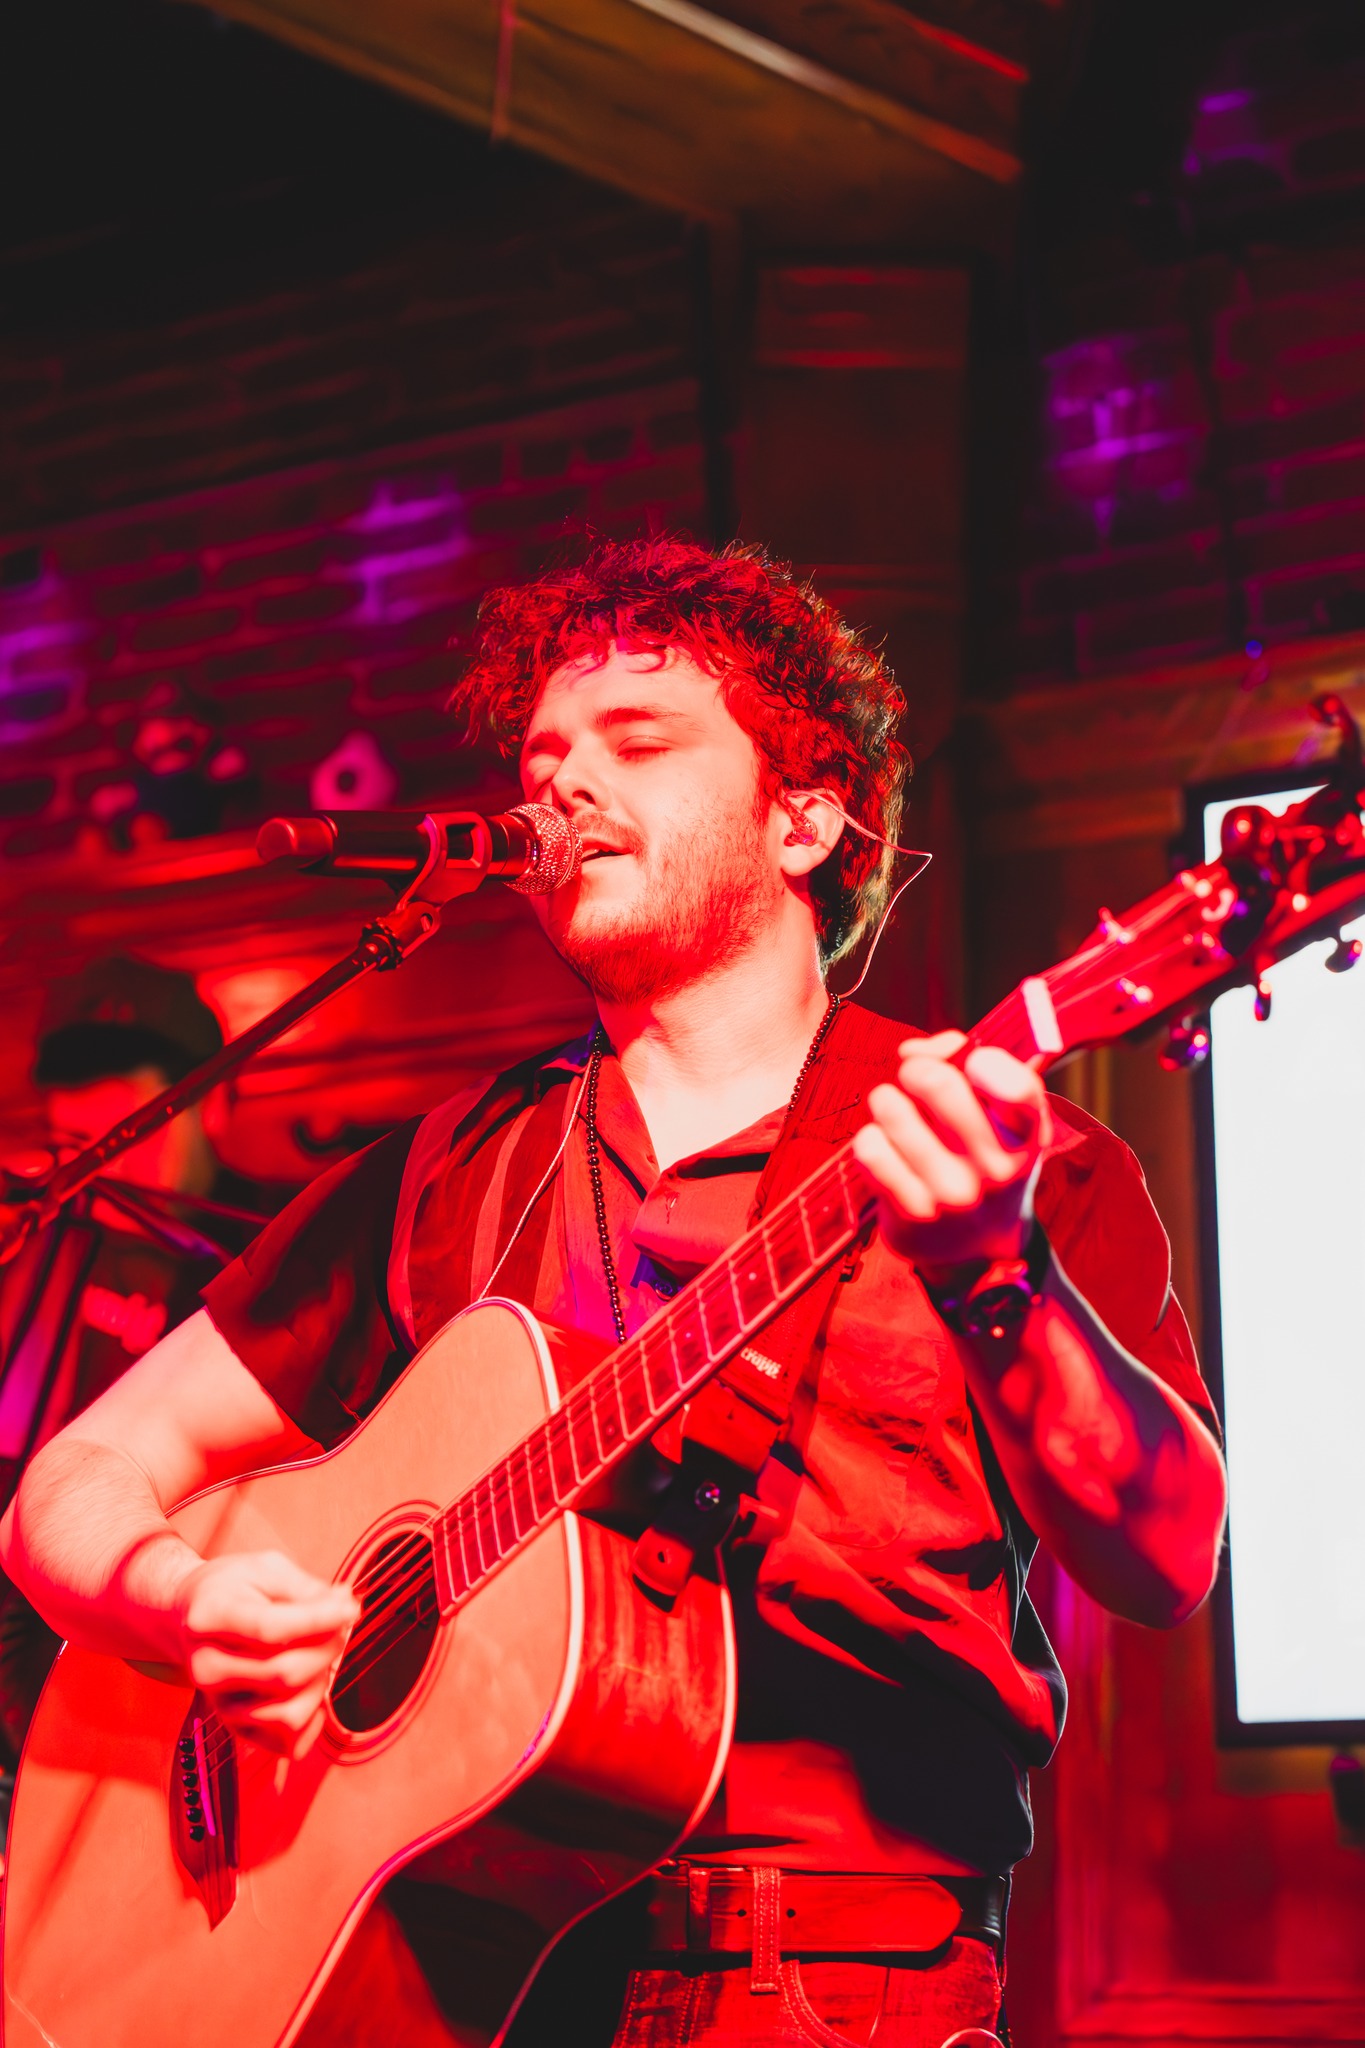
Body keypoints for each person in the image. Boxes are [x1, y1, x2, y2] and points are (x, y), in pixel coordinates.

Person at [0, 539, 1227, 2048]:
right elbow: (76, 1476)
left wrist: (992, 1284)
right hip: (450, 1979)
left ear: (805, 816)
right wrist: (185, 1604)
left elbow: (1167, 1558)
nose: (561, 787)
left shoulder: (1003, 1152)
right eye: (542, 758)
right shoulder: (442, 1170)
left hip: (832, 1983)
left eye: (636, 744)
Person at [0, 958, 266, 1769]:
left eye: (138, 1114)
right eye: (78, 1135)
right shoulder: (30, 1251)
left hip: (197, 1702)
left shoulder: (280, 1248)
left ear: (214, 1105)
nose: (103, 1149)